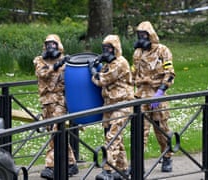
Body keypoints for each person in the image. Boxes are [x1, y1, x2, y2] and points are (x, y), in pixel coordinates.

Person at [132, 21, 176, 172]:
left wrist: (160, 92)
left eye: (144, 35)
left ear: (151, 35)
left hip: (157, 96)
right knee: (140, 131)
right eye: (139, 35)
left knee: (161, 130)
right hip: (141, 96)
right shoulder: (138, 53)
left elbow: (170, 73)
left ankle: (167, 156)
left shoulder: (163, 51)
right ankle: (138, 163)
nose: (142, 38)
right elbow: (133, 74)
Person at [88, 35, 134, 180]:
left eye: (109, 48)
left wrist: (92, 71)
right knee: (115, 137)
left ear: (116, 49)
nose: (106, 51)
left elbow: (102, 80)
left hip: (122, 104)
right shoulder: (110, 63)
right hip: (110, 104)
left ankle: (107, 171)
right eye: (104, 48)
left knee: (112, 137)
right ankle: (122, 169)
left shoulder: (119, 63)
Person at [33, 34, 79, 179]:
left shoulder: (64, 61)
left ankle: (51, 166)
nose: (50, 47)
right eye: (48, 44)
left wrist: (68, 63)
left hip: (60, 101)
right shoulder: (39, 60)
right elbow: (42, 74)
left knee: (55, 131)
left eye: (53, 44)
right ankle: (71, 164)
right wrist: (56, 66)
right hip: (46, 102)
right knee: (57, 133)